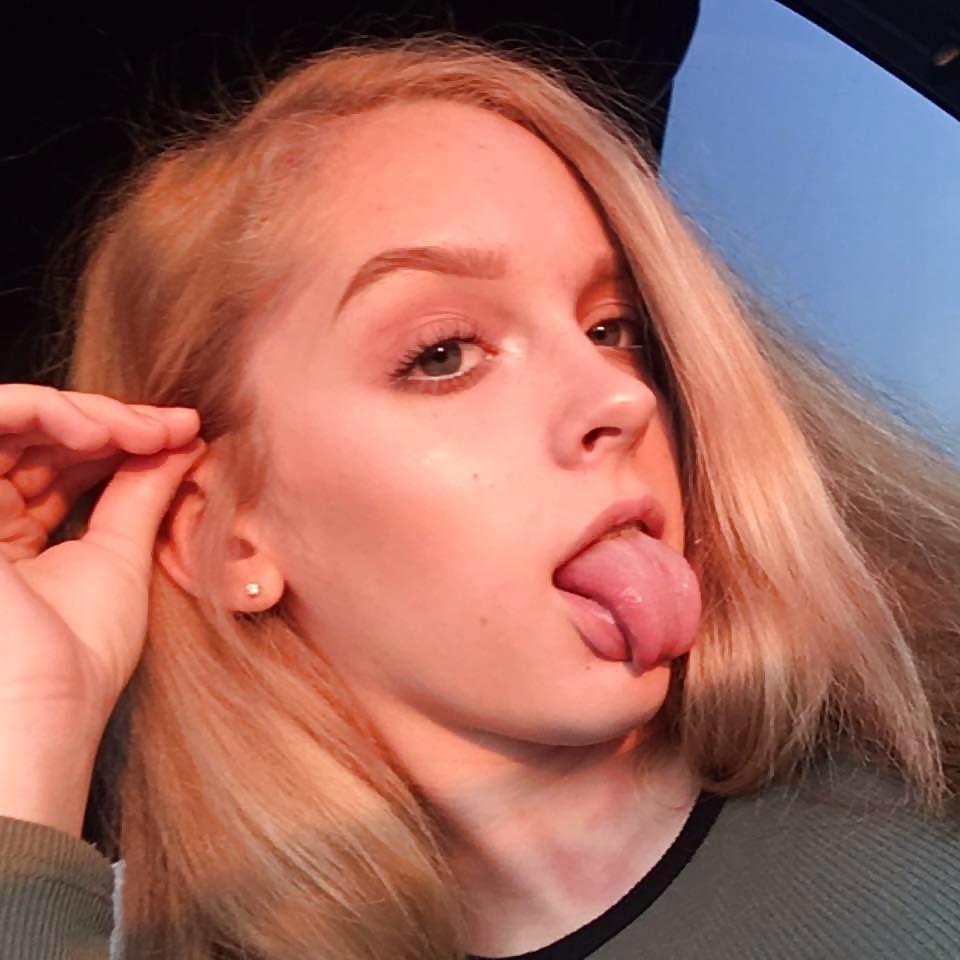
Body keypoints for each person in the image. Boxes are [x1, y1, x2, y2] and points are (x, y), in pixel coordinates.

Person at [1, 33, 958, 960]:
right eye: (443, 354)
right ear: (228, 536)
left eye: (613, 327)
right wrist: (30, 722)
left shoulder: (925, 772)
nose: (620, 396)